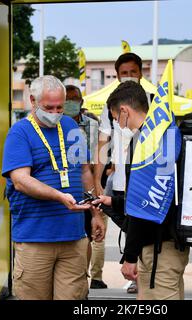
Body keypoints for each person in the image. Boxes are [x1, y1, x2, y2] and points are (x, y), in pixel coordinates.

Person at [2, 75, 105, 300]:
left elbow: (85, 171)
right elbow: (20, 180)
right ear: (33, 101)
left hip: (73, 238)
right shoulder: (19, 133)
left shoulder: (70, 125)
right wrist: (59, 196)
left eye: (60, 107)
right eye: (49, 107)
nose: (56, 112)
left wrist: (95, 213)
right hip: (34, 240)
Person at [93, 81, 190, 300]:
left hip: (158, 251)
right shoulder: (166, 134)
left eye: (116, 118)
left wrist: (129, 256)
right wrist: (113, 202)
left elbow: (143, 208)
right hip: (172, 244)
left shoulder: (146, 144)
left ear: (125, 111)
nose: (118, 124)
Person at [93, 52, 151, 293]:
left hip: (145, 177)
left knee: (143, 220)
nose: (129, 76)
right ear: (116, 76)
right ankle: (135, 272)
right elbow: (102, 143)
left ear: (141, 73)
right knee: (130, 224)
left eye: (133, 72)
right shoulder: (111, 106)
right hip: (120, 179)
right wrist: (97, 179)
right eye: (124, 73)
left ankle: (143, 273)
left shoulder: (153, 101)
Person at [64, 84, 109, 289]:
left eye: (75, 99)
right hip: (64, 187)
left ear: (81, 102)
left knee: (87, 235)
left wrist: (95, 186)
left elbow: (95, 158)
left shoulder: (91, 125)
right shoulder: (56, 124)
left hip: (86, 183)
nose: (71, 103)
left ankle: (87, 275)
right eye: (67, 99)